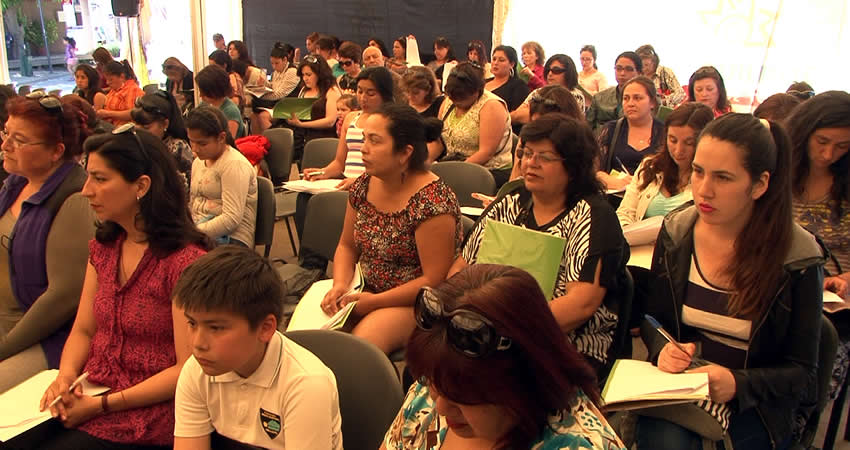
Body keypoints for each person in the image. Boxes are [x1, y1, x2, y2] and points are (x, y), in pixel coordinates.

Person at [637, 113, 825, 450]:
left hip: (757, 402)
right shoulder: (678, 232)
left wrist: (737, 383)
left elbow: (802, 372)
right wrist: (664, 348)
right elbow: (655, 322)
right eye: (698, 171)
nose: (704, 189)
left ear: (760, 184)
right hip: (686, 387)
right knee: (667, 442)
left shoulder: (798, 257)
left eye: (723, 178)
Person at [31, 124, 210, 449]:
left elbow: (187, 368)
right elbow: (84, 330)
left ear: (141, 185)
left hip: (148, 410)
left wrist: (101, 405)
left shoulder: (183, 261)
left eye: (100, 179)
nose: (86, 190)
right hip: (95, 390)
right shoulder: (104, 248)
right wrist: (66, 378)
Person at [451, 114, 630, 374]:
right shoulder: (512, 201)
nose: (529, 164)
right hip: (488, 328)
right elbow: (459, 270)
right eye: (526, 153)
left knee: (483, 377)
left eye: (544, 157)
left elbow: (580, 305)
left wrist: (503, 327)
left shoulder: (592, 215)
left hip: (563, 342)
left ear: (573, 165)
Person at [382, 264, 628, 449]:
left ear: (522, 383)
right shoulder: (435, 385)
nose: (441, 406)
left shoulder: (577, 444)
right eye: (435, 385)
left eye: (461, 397)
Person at [319, 103, 462, 354]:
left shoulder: (432, 201)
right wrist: (340, 284)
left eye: (374, 141)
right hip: (364, 290)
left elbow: (434, 280)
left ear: (405, 152)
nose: (363, 149)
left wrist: (374, 302)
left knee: (357, 351)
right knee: (313, 343)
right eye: (364, 139)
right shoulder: (364, 184)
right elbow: (346, 246)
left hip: (417, 301)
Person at [173, 246, 343, 450]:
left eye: (216, 328)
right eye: (192, 324)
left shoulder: (306, 385)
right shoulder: (196, 370)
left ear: (265, 328)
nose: (197, 343)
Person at [0, 94, 94, 393]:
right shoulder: (14, 185)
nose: (5, 146)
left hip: (45, 337)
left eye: (18, 140)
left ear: (56, 151)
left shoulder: (75, 199)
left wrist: (4, 346)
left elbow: (61, 299)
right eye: (5, 134)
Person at [787, 91, 850, 405]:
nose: (828, 154)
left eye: (841, 147)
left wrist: (847, 278)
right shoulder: (778, 174)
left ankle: (799, 415)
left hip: (837, 299)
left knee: (822, 345)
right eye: (822, 141)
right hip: (783, 284)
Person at [616, 101, 714, 227]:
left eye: (689, 143)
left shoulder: (708, 182)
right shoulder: (650, 167)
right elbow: (625, 212)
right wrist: (629, 234)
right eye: (673, 140)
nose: (679, 150)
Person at [186, 105, 257, 247]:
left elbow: (231, 219)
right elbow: (193, 204)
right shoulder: (199, 162)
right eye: (191, 141)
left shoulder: (234, 164)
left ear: (221, 137)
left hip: (231, 239)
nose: (195, 149)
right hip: (201, 231)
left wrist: (193, 233)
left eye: (202, 143)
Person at [434, 62, 513, 184]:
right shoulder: (449, 101)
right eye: (452, 97)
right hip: (455, 165)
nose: (456, 102)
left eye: (461, 98)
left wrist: (451, 173)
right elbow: (438, 142)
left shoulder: (492, 106)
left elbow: (485, 153)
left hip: (489, 171)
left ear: (476, 91)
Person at [596, 76, 666, 191]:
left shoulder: (664, 132)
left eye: (637, 98)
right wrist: (607, 179)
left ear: (652, 102)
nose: (630, 103)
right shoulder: (611, 129)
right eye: (626, 98)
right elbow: (595, 170)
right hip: (614, 196)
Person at [130, 90, 194, 190]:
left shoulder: (178, 148)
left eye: (146, 127)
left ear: (165, 124)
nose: (140, 132)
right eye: (136, 126)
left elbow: (183, 189)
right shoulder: (133, 144)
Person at [285, 54, 341, 161]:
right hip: (301, 139)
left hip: (323, 140)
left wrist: (302, 124)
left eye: (309, 75)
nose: (305, 78)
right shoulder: (304, 90)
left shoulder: (331, 91)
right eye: (303, 75)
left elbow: (330, 121)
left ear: (319, 74)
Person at [511, 54, 585, 127]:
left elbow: (555, 123)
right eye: (548, 70)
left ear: (568, 73)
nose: (550, 74)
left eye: (556, 70)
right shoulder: (538, 92)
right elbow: (513, 117)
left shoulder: (575, 95)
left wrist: (529, 114)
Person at [250, 42, 300, 135]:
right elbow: (274, 86)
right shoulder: (277, 71)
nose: (274, 66)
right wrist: (264, 84)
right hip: (276, 103)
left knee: (263, 116)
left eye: (276, 63)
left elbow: (279, 94)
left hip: (288, 105)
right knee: (253, 116)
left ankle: (273, 142)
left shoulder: (292, 72)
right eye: (272, 63)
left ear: (285, 60)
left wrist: (261, 96)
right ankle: (257, 143)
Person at [586, 51, 642, 132]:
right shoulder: (599, 98)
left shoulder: (645, 99)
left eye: (628, 69)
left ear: (639, 73)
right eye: (618, 68)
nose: (622, 73)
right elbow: (587, 127)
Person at [484, 45, 530, 130]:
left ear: (512, 64)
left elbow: (518, 115)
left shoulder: (519, 86)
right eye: (494, 59)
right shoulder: (483, 83)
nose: (495, 63)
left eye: (501, 60)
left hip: (502, 131)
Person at [195, 65, 246, 139]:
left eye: (204, 92)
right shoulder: (203, 106)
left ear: (214, 90)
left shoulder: (231, 111)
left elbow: (227, 142)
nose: (200, 95)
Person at [97, 60, 144, 126]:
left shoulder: (133, 90)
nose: (107, 82)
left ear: (122, 76)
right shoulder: (114, 90)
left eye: (111, 79)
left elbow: (132, 113)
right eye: (107, 79)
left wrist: (108, 114)